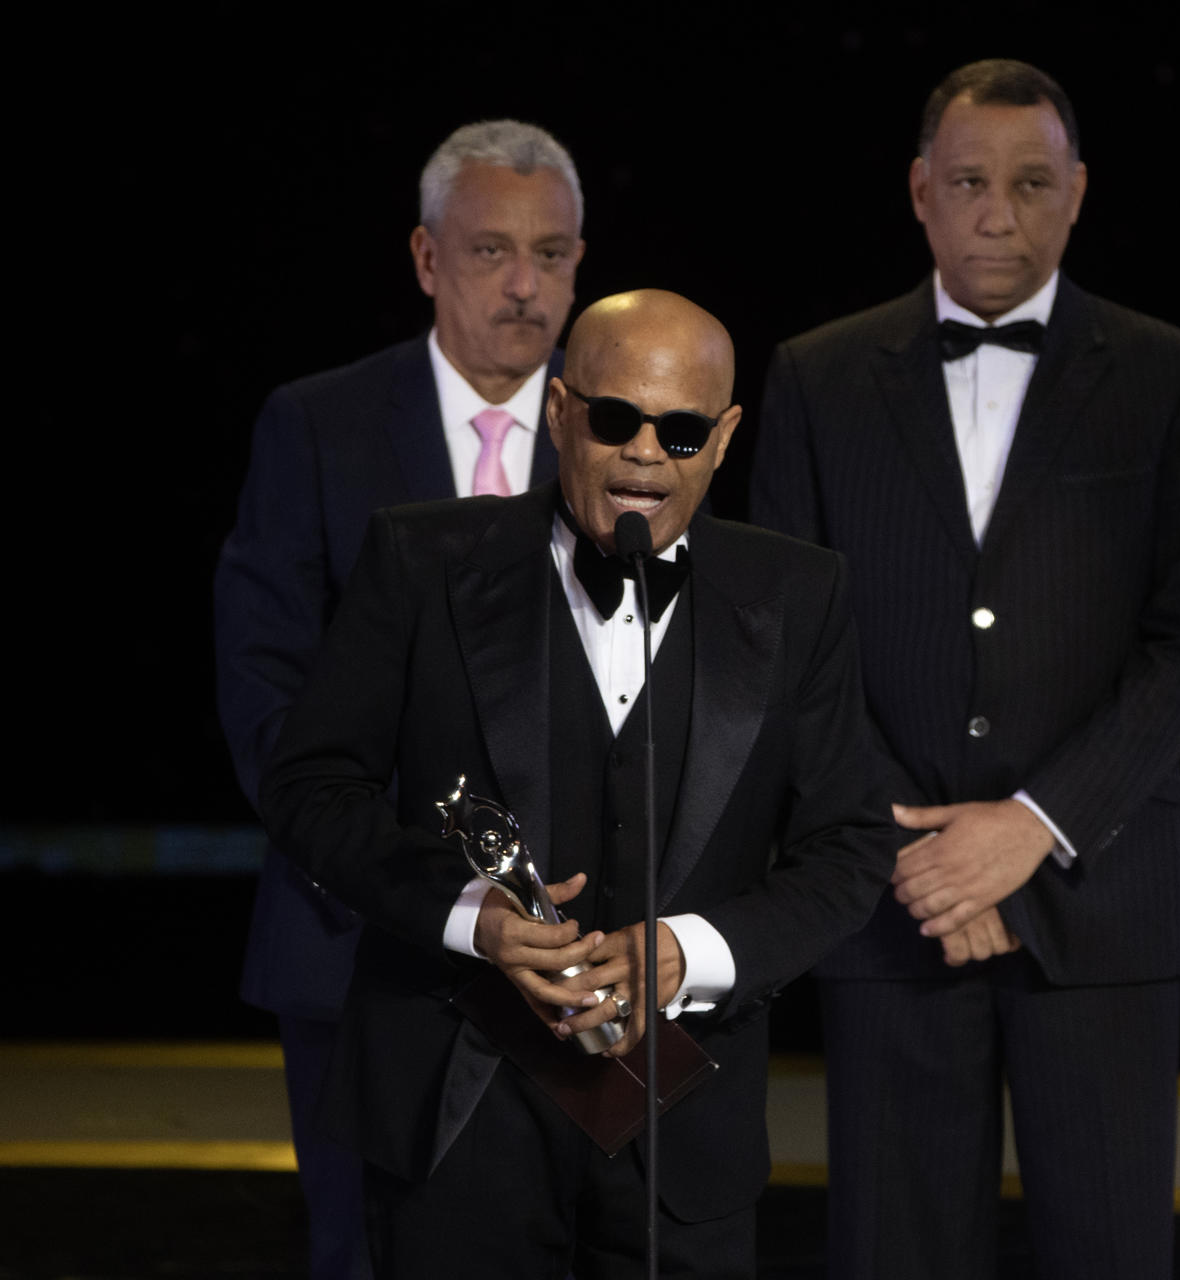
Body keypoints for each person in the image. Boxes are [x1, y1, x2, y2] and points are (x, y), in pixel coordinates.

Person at [257, 289, 895, 1278]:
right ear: (560, 413)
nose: (646, 453)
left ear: (724, 440)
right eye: (614, 419)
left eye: (681, 431)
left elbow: (850, 848)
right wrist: (472, 914)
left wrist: (689, 952)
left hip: (684, 1134)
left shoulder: (799, 594)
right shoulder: (423, 558)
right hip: (457, 1112)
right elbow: (309, 785)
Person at [750, 58, 1180, 1280]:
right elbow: (784, 645)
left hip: (1104, 901)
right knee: (895, 1250)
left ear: (1078, 194)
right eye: (970, 181)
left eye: (1031, 183)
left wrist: (1034, 824)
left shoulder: (1174, 377)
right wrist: (918, 850)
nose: (997, 211)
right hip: (894, 904)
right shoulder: (816, 376)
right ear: (921, 192)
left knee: (1112, 1251)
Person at [213, 118, 583, 1279]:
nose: (526, 285)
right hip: (356, 944)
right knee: (361, 1254)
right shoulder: (316, 426)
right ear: (427, 258)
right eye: (490, 252)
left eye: (555, 253)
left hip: (576, 952)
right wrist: (423, 884)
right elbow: (267, 693)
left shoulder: (622, 434)